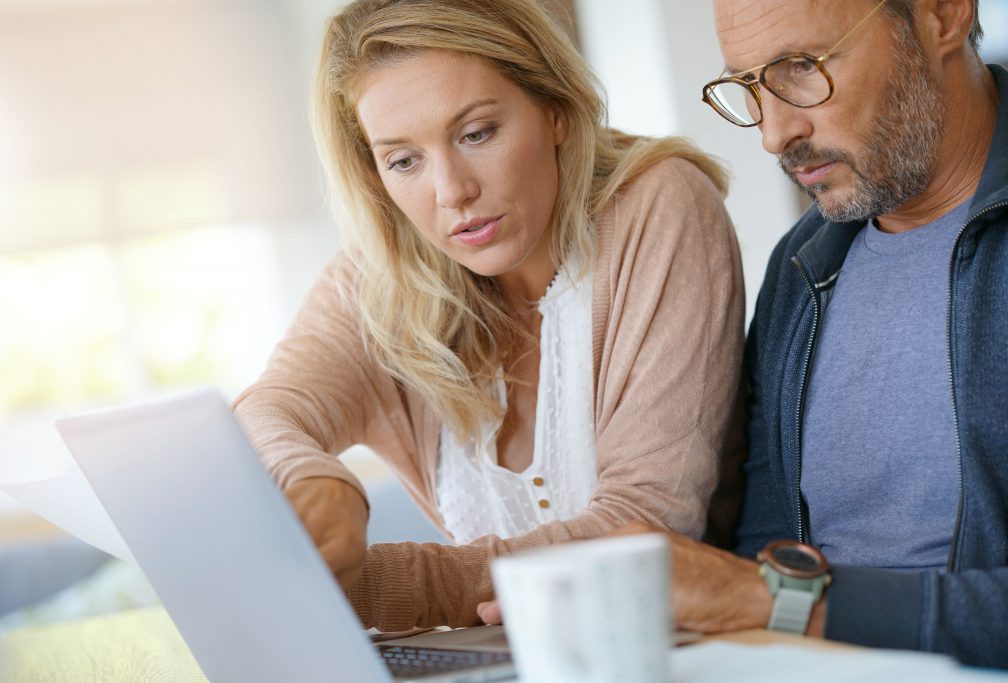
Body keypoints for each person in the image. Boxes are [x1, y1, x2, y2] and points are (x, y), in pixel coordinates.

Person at [534, 0, 1008, 669]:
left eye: (801, 67)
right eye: (751, 86)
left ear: (941, 15)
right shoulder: (804, 263)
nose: (773, 133)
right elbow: (761, 547)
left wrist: (795, 603)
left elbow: (763, 590)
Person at [232, 0, 745, 631]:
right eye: (403, 160)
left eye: (476, 134)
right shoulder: (383, 273)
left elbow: (646, 530)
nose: (451, 192)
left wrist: (369, 588)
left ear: (554, 107)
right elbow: (269, 408)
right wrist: (310, 475)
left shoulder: (659, 208)